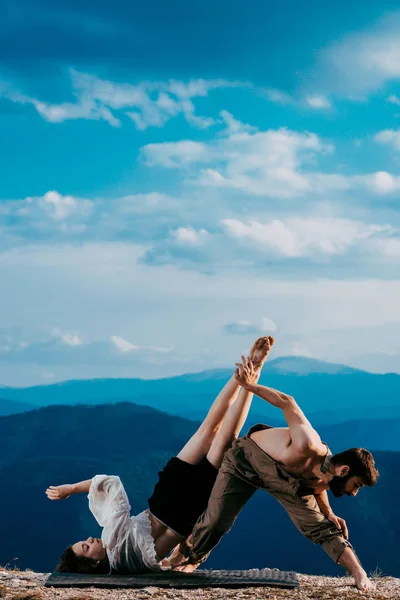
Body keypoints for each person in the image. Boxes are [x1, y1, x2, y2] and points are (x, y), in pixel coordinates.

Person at [45, 336, 274, 574]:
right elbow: (111, 483)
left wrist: (181, 559)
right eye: (86, 546)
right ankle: (251, 371)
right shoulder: (113, 541)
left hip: (180, 508)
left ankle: (252, 373)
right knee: (211, 430)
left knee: (222, 436)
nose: (90, 539)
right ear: (92, 562)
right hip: (172, 500)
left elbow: (166, 563)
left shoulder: (128, 566)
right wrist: (71, 488)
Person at [170, 357, 379, 593]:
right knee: (217, 520)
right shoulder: (308, 445)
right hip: (246, 461)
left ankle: (359, 572)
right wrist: (250, 386)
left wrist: (328, 512)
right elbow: (287, 402)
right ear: (344, 470)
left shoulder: (326, 478)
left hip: (292, 484)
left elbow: (321, 488)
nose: (353, 492)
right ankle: (186, 556)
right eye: (356, 485)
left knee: (323, 528)